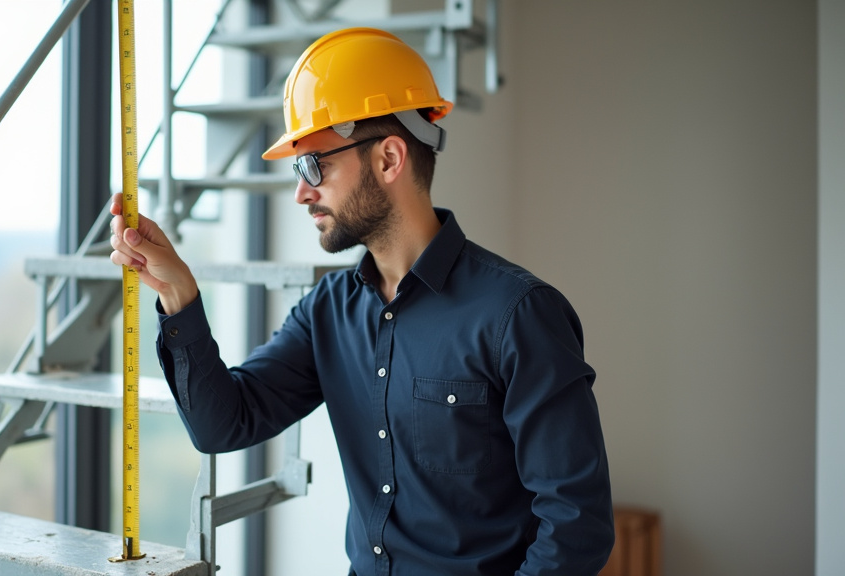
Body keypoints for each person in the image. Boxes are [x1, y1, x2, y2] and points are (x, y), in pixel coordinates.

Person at [110, 27, 614, 576]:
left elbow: (575, 525)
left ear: (389, 158)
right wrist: (178, 294)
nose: (301, 192)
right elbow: (223, 424)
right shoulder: (327, 312)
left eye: (314, 165)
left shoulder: (517, 315)